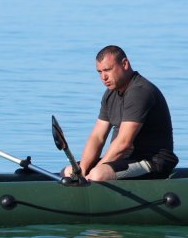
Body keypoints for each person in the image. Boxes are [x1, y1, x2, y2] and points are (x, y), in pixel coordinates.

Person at [63, 45, 179, 181]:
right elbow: (97, 137)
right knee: (69, 171)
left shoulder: (140, 92)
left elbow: (124, 143)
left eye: (107, 70)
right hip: (124, 160)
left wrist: (92, 173)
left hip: (152, 162)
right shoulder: (110, 94)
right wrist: (82, 169)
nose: (103, 77)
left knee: (97, 174)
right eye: (99, 72)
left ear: (124, 64)